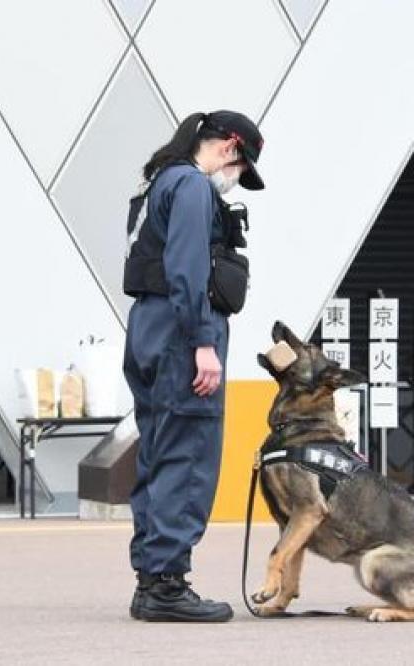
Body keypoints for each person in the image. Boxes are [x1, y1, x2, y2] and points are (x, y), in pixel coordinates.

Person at [122, 110, 265, 622]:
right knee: (187, 455)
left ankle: (152, 579)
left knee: (159, 454)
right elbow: (187, 268)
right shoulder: (191, 187)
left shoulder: (161, 180)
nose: (235, 181)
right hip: (182, 336)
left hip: (150, 329)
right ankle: (166, 585)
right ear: (230, 146)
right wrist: (203, 342)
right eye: (241, 168)